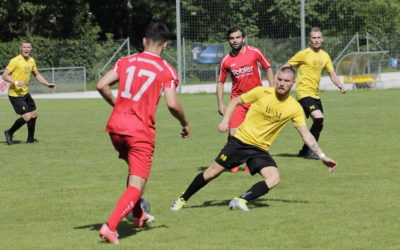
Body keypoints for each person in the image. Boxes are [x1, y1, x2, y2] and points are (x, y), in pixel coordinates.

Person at [171, 67, 337, 212]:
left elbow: (305, 133)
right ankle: (182, 199)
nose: (281, 83)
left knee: (274, 178)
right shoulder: (262, 92)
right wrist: (225, 121)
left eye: (286, 81)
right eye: (279, 79)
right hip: (240, 142)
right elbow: (236, 100)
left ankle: (240, 200)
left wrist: (322, 156)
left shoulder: (294, 107)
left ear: (293, 84)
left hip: (260, 149)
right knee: (211, 173)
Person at [96, 22, 190, 244]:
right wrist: (185, 123)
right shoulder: (166, 69)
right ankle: (110, 227)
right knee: (137, 186)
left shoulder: (125, 61)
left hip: (116, 128)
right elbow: (173, 104)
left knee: (134, 174)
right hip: (140, 132)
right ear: (165, 45)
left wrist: (117, 105)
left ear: (144, 41)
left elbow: (101, 85)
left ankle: (138, 215)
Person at [282, 27, 346, 159]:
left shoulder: (325, 55)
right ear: (309, 40)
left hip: (315, 95)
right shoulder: (303, 54)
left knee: (319, 123)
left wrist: (340, 85)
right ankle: (311, 151)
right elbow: (286, 65)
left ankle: (305, 151)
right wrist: (285, 80)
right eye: (313, 38)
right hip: (304, 93)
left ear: (322, 39)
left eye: (318, 37)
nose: (316, 40)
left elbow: (332, 73)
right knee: (318, 118)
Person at [217, 26, 275, 172]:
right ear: (228, 40)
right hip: (238, 100)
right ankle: (231, 160)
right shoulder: (226, 60)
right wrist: (220, 103)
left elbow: (268, 68)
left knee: (253, 134)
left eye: (237, 37)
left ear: (243, 38)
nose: (235, 40)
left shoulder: (254, 52)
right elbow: (220, 82)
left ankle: (251, 162)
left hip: (257, 100)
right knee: (233, 133)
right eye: (232, 38)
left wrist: (272, 90)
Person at [2, 40, 57, 145]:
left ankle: (30, 139)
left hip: (25, 93)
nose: (26, 49)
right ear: (20, 48)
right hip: (15, 94)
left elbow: (36, 74)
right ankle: (9, 132)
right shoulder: (15, 60)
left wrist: (47, 84)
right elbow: (5, 75)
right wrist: (16, 82)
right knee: (27, 116)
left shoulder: (31, 60)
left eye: (28, 47)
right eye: (24, 47)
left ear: (31, 49)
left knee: (34, 114)